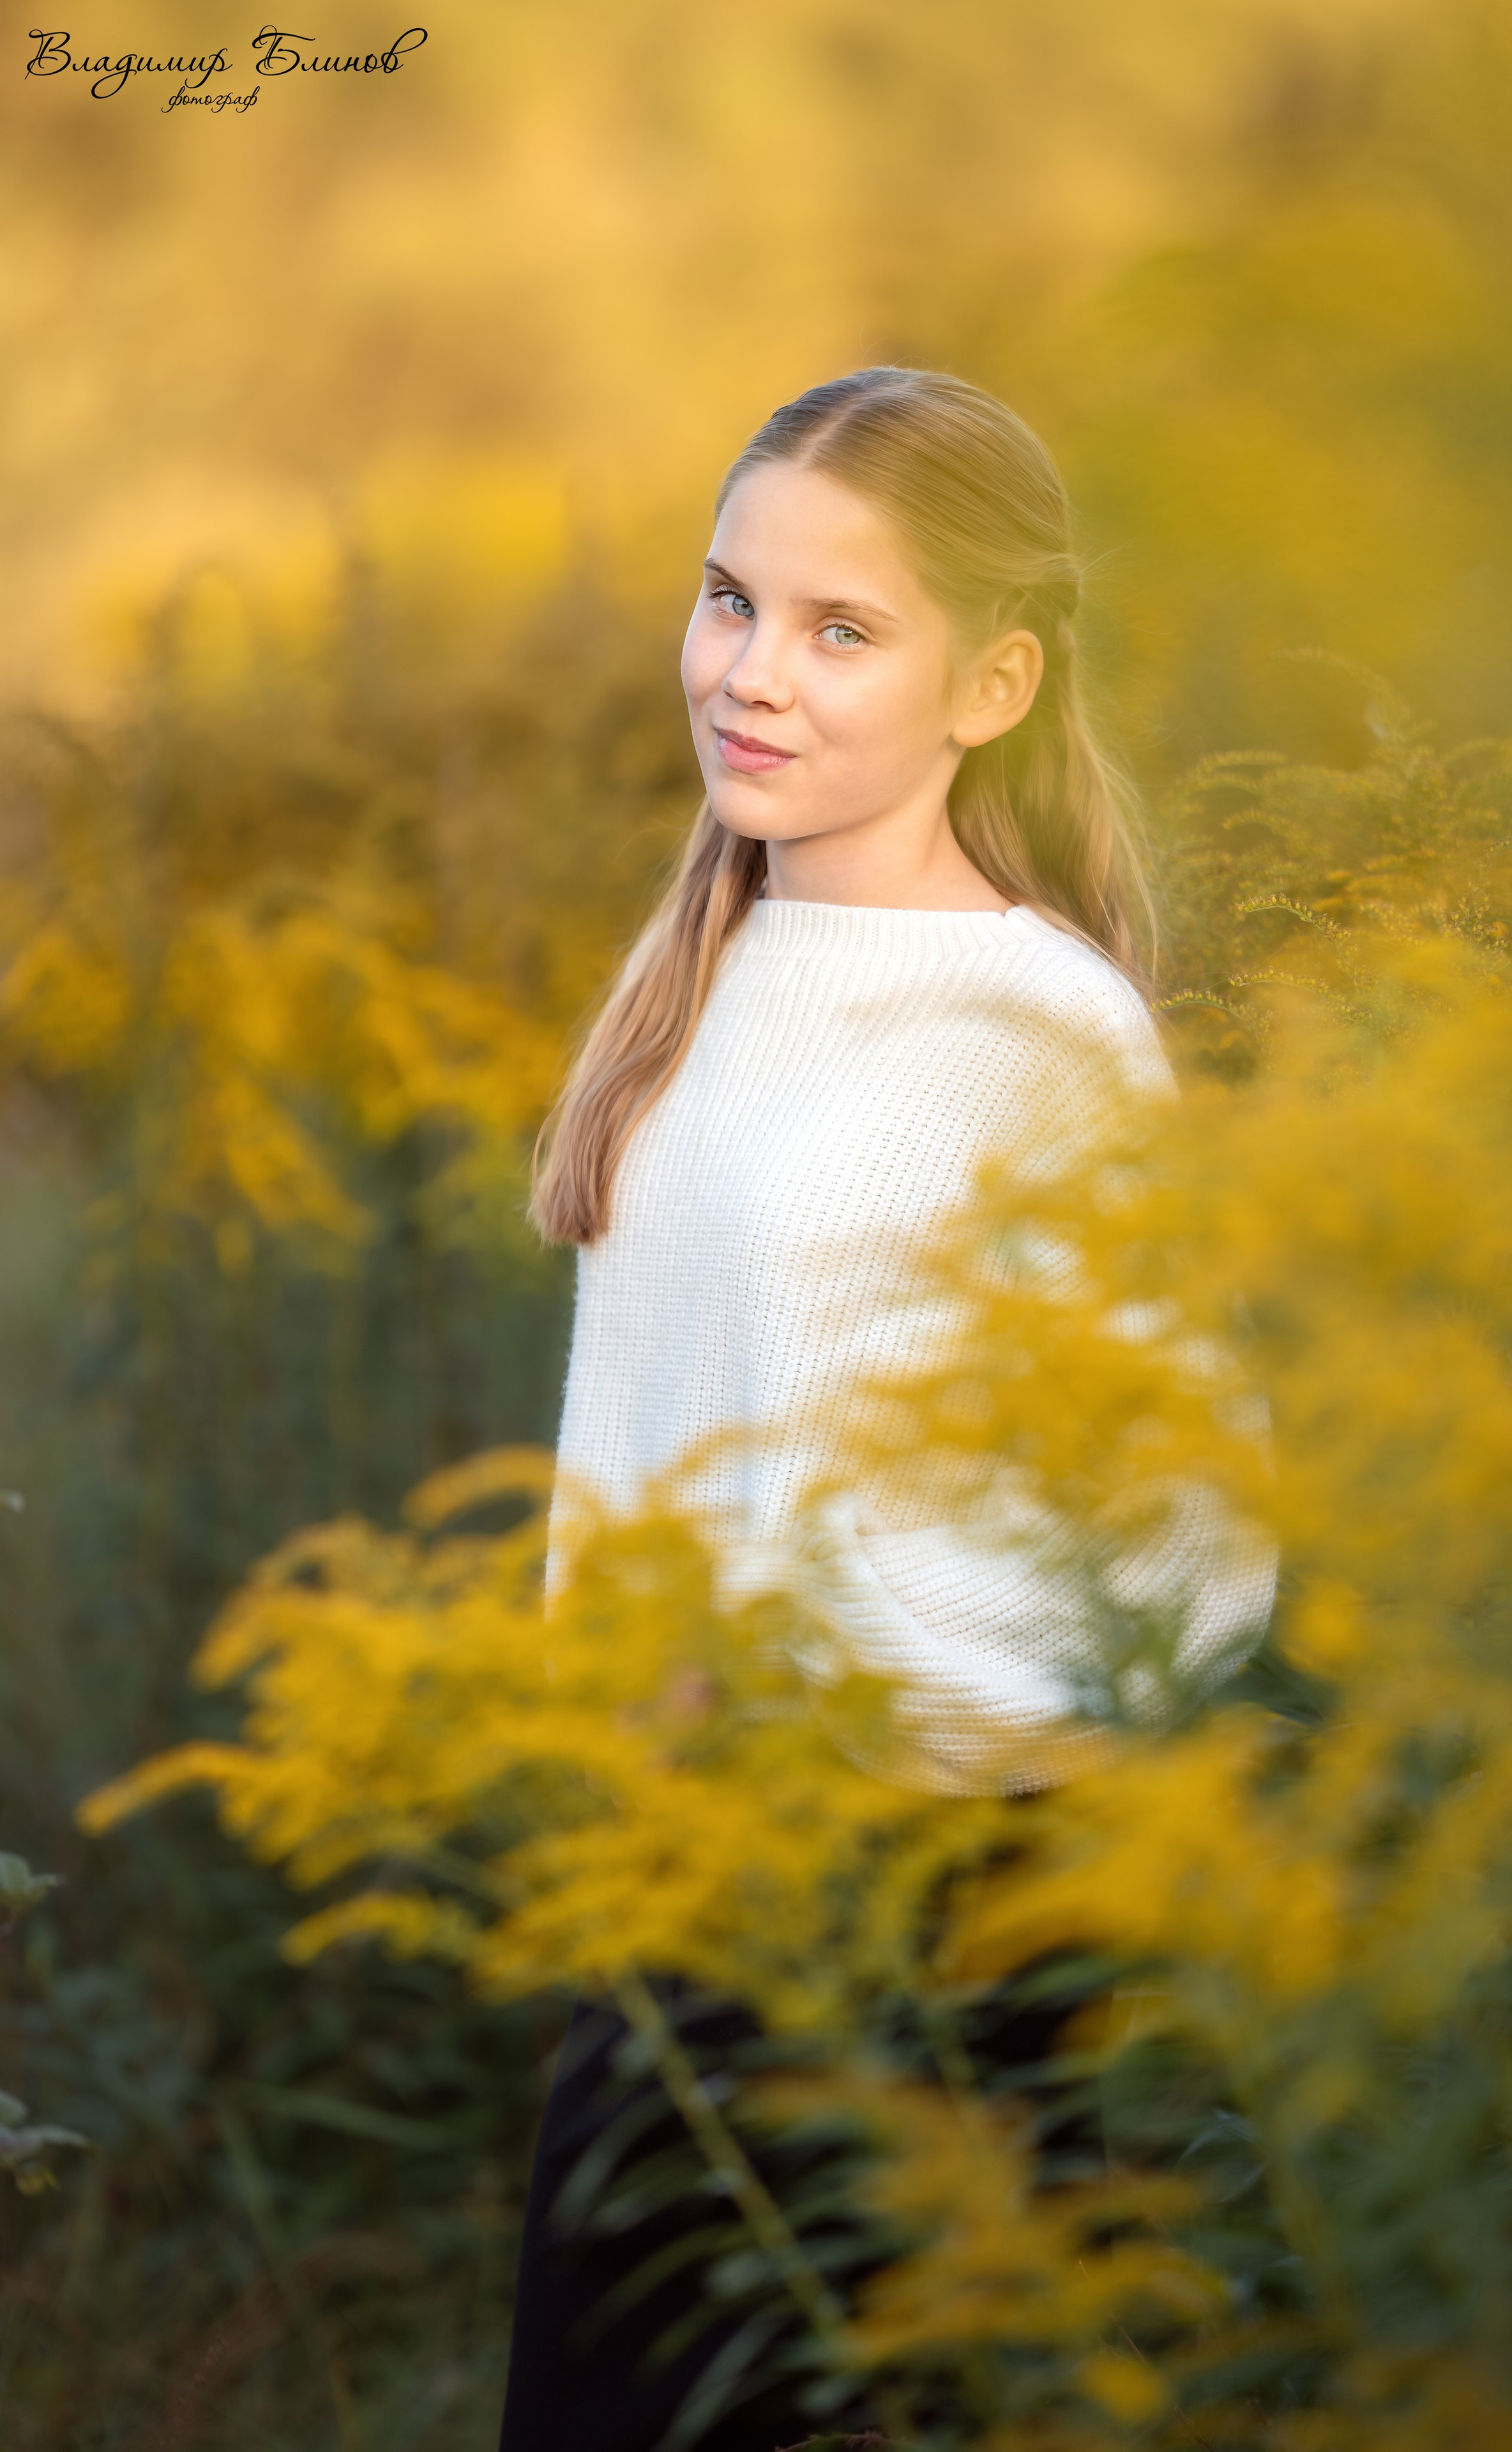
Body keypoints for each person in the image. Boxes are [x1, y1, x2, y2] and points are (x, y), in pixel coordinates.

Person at [498, 367, 1274, 2451]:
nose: (753, 675)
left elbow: (1189, 1525)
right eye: (731, 600)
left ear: (994, 681)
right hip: (677, 1903)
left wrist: (860, 1727)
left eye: (845, 630)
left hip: (904, 1930)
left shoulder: (1034, 1026)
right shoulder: (716, 961)